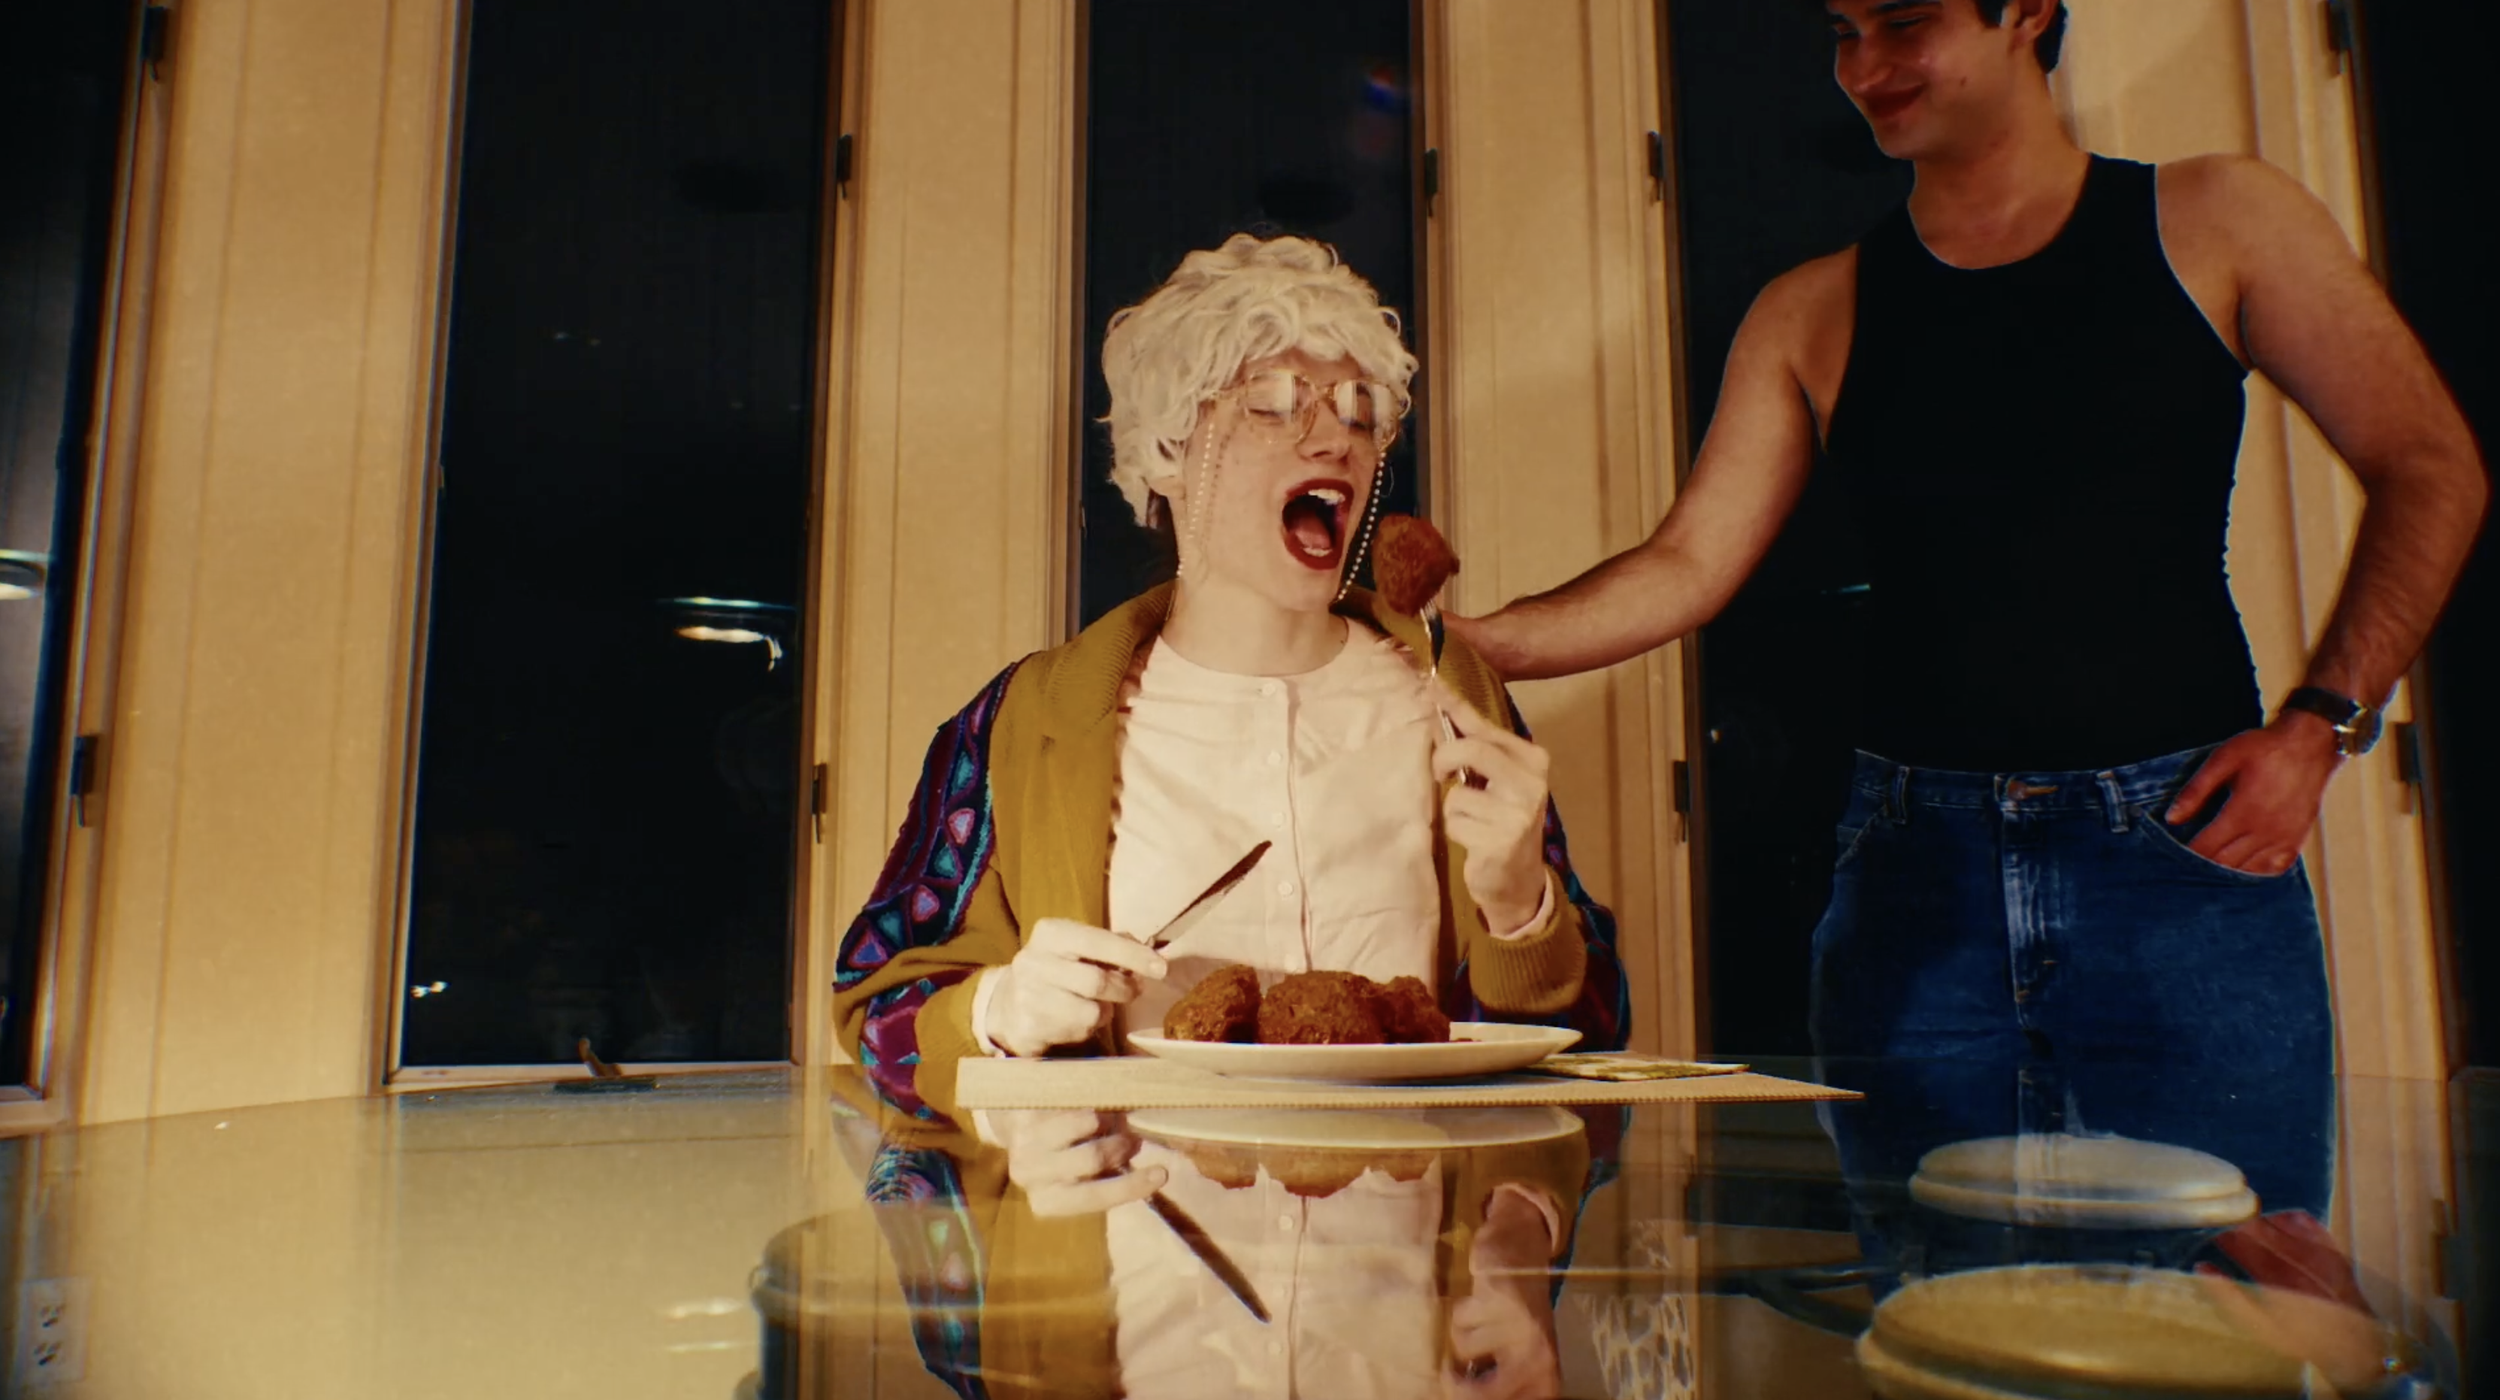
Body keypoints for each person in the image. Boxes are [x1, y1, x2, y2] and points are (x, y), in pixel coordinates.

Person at [1446, 0, 2488, 1082]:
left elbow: (2428, 463)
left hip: (2178, 849)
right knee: (1926, 1254)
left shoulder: (2219, 217)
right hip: (1911, 870)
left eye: (1902, 22)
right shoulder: (1810, 310)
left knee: (2214, 1247)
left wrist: (2322, 723)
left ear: (2025, 13)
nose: (1863, 65)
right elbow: (1686, 565)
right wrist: (1468, 639)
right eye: (1843, 33)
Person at [832, 233, 1628, 1131]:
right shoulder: (1021, 723)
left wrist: (1522, 911)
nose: (1334, 438)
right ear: (1167, 452)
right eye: (1275, 403)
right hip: (1139, 1244)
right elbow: (872, 1008)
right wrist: (994, 1012)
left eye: (1362, 413)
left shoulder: (1456, 699)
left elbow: (1593, 1046)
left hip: (1401, 1243)